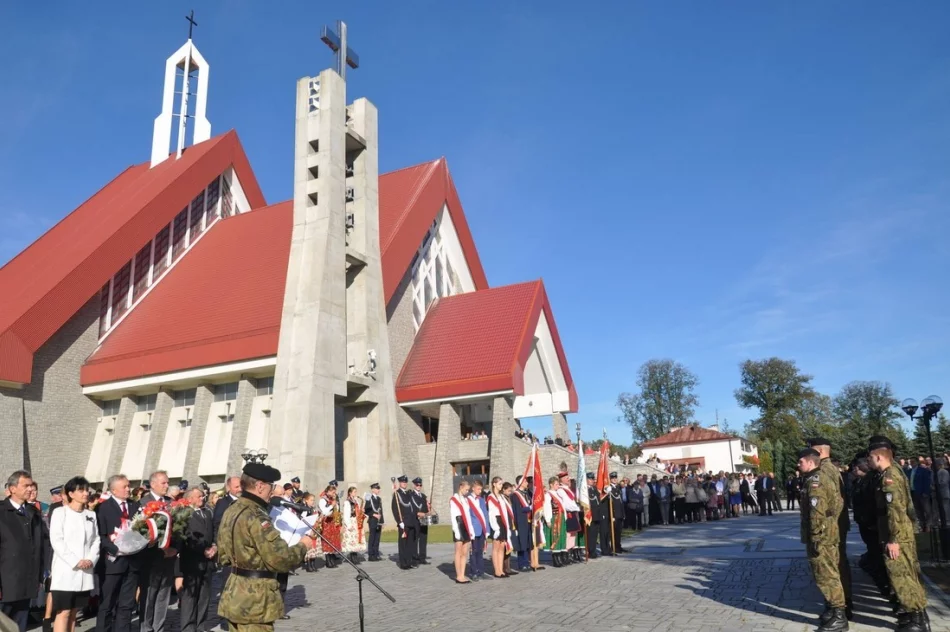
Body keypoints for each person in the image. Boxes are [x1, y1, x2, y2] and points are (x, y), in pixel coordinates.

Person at [216, 462, 314, 632]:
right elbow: (280, 560)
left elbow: (223, 555)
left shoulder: (231, 510)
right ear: (260, 486)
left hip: (234, 592)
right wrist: (303, 545)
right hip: (255, 599)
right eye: (271, 485)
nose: (273, 490)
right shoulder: (256, 515)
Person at [868, 436, 929, 632]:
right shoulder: (893, 472)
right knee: (908, 575)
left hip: (898, 536)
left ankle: (916, 620)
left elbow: (895, 512)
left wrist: (893, 540)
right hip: (901, 534)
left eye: (870, 458)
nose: (868, 462)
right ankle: (916, 617)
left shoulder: (889, 477)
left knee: (902, 576)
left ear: (878, 457)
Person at [798, 448, 848, 632]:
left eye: (800, 461)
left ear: (810, 462)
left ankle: (839, 616)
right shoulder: (821, 477)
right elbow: (838, 504)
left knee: (826, 576)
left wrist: (817, 536)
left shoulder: (815, 482)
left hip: (822, 538)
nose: (798, 464)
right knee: (830, 573)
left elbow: (816, 513)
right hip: (829, 534)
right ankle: (834, 611)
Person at [808, 437, 853, 619]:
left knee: (834, 567)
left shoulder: (824, 470)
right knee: (838, 564)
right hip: (836, 525)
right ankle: (841, 604)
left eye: (810, 450)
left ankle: (841, 606)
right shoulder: (831, 468)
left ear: (819, 452)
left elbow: (832, 503)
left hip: (831, 527)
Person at [48, 476, 97, 632]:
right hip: (66, 571)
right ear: (70, 493)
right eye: (81, 490)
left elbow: (96, 540)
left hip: (85, 571)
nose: (85, 493)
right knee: (64, 612)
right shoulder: (59, 512)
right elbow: (57, 540)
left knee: (74, 612)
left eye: (87, 490)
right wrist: (76, 561)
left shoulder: (91, 515)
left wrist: (90, 559)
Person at [95, 475, 142, 632]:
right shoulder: (103, 508)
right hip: (112, 563)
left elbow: (142, 530)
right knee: (107, 604)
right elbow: (99, 536)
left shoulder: (135, 506)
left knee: (127, 605)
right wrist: (116, 549)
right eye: (125, 487)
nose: (128, 489)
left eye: (128, 486)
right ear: (113, 490)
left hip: (132, 562)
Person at [1, 470, 45, 632]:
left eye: (31, 485)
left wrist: (40, 575)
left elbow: (41, 545)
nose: (30, 489)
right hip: (6, 584)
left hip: (27, 582)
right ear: (12, 488)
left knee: (19, 626)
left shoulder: (34, 513)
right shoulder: (2, 512)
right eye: (25, 485)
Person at [175, 488, 215, 632]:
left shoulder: (207, 512)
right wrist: (202, 550)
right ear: (190, 498)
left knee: (204, 595)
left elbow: (214, 530)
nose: (202, 498)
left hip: (208, 560)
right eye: (199, 496)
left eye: (203, 496)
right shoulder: (184, 513)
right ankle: (188, 627)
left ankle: (201, 625)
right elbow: (186, 537)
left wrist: (214, 546)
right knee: (190, 596)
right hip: (192, 560)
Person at [139, 471, 174, 632]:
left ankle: (159, 627)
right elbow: (140, 530)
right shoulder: (143, 502)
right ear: (153, 484)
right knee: (149, 595)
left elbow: (180, 528)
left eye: (167, 483)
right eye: (163, 483)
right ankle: (146, 628)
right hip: (151, 557)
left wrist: (174, 548)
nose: (167, 486)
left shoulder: (171, 503)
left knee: (164, 595)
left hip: (169, 556)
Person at [391, 476, 417, 570]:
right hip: (403, 522)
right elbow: (395, 509)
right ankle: (403, 563)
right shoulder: (397, 494)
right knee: (403, 544)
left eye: (405, 482)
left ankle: (409, 562)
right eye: (402, 482)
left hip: (411, 521)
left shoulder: (409, 493)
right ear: (399, 483)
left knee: (410, 543)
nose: (404, 483)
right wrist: (399, 521)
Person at [449, 481, 473, 584]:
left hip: (466, 524)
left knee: (465, 552)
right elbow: (453, 516)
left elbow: (468, 515)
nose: (467, 492)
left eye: (468, 490)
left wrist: (471, 529)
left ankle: (463, 574)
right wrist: (456, 530)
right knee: (458, 551)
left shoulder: (465, 500)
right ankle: (458, 575)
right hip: (458, 524)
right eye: (466, 489)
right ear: (460, 487)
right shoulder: (454, 499)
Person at [486, 477, 511, 577]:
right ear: (494, 484)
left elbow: (505, 511)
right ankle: (496, 570)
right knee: (496, 547)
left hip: (502, 521)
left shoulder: (501, 497)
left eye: (501, 483)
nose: (501, 485)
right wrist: (495, 528)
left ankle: (501, 570)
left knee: (502, 546)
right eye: (499, 484)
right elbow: (491, 513)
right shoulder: (491, 497)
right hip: (495, 522)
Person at [542, 476, 568, 568]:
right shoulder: (548, 495)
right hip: (555, 518)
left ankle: (560, 557)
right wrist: (548, 520)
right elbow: (547, 507)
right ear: (551, 485)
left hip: (560, 518)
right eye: (556, 484)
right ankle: (555, 559)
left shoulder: (558, 494)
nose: (558, 486)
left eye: (558, 484)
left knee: (561, 537)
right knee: (555, 537)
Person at [509, 476, 533, 571]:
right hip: (520, 521)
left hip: (528, 521)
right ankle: (521, 563)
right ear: (521, 482)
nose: (527, 483)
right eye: (525, 481)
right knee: (521, 543)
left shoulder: (526, 493)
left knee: (527, 542)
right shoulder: (515, 495)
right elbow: (517, 510)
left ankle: (526, 562)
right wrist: (528, 508)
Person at [466, 481, 489, 579]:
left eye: (481, 489)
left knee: (480, 551)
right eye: (478, 489)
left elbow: (485, 515)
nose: (480, 491)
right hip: (473, 530)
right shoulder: (468, 500)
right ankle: (473, 572)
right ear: (473, 488)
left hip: (482, 529)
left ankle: (481, 571)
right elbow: (468, 516)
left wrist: (487, 529)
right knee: (473, 551)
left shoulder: (481, 500)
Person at [341, 487, 366, 564]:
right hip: (351, 521)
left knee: (356, 540)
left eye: (356, 492)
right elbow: (346, 515)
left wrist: (362, 511)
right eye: (354, 492)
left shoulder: (356, 501)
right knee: (351, 539)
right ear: (350, 493)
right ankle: (352, 557)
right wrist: (348, 525)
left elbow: (357, 511)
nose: (356, 493)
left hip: (356, 521)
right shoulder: (347, 502)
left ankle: (355, 556)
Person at [410, 478, 430, 565]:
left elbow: (425, 508)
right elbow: (410, 508)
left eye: (420, 485)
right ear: (414, 485)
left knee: (423, 539)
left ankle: (422, 557)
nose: (419, 486)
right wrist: (418, 513)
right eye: (417, 485)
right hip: (415, 519)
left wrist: (427, 510)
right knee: (415, 539)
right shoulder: (410, 495)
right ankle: (414, 558)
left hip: (423, 520)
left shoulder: (423, 496)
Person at [364, 483, 384, 562]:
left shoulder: (379, 498)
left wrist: (382, 521)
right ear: (372, 489)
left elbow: (380, 510)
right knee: (372, 537)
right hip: (372, 520)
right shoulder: (369, 497)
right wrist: (374, 515)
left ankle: (376, 554)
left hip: (378, 520)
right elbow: (366, 510)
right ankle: (371, 555)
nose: (378, 490)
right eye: (377, 488)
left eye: (378, 488)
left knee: (377, 538)